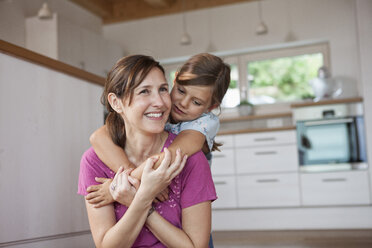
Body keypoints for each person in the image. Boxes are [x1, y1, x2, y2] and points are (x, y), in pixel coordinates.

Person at [86, 53, 230, 248]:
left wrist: (116, 189)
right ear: (175, 79)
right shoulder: (163, 106)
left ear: (211, 107)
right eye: (179, 90)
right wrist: (132, 182)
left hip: (180, 171)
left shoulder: (202, 125)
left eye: (196, 102)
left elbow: (167, 158)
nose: (183, 103)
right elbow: (97, 137)